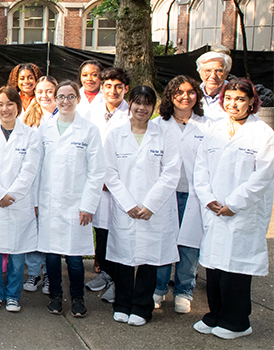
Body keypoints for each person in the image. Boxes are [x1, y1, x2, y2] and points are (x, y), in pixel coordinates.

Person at [193, 78, 274, 340]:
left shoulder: (263, 134)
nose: (233, 104)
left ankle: (237, 322)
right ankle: (215, 315)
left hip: (242, 213)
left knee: (236, 269)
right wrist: (207, 198)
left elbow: (262, 176)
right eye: (229, 98)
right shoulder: (214, 129)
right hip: (215, 208)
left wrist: (233, 204)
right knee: (215, 268)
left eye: (240, 99)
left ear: (252, 101)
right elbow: (200, 168)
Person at [103, 86, 181, 326]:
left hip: (153, 209)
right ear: (130, 103)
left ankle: (142, 306)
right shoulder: (116, 134)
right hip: (125, 207)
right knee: (124, 258)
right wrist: (128, 204)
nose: (142, 108)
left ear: (153, 108)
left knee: (149, 258)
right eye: (137, 102)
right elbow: (109, 172)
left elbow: (171, 172)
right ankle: (123, 303)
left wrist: (150, 204)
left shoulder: (165, 133)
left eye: (147, 104)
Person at [35, 80, 104, 317]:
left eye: (70, 96)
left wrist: (88, 205)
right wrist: (36, 201)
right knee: (52, 256)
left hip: (77, 205)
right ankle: (55, 296)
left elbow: (96, 172)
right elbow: (36, 167)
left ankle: (77, 298)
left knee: (74, 259)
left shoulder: (89, 130)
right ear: (55, 99)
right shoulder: (44, 129)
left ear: (78, 99)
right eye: (61, 96)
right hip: (49, 203)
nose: (65, 101)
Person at [0, 86, 42, 313]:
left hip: (18, 201)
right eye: (1, 104)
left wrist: (10, 195)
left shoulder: (32, 135)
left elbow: (29, 170)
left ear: (18, 106)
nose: (5, 109)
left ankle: (13, 295)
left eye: (10, 104)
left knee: (17, 252)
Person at [152, 76, 207, 314]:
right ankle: (159, 288)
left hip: (194, 194)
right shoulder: (158, 125)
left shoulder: (207, 125)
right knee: (164, 241)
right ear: (170, 96)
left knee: (189, 244)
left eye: (190, 92)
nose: (185, 97)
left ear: (197, 95)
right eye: (179, 93)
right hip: (166, 194)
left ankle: (184, 291)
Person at [84, 67, 130, 303]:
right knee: (100, 231)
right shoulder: (92, 111)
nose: (113, 91)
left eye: (118, 87)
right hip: (95, 182)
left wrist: (110, 179)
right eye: (109, 86)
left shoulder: (131, 115)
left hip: (118, 184)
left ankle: (117, 280)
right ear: (102, 88)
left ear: (126, 90)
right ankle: (104, 273)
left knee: (117, 232)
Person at [20, 75, 58, 293]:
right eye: (40, 91)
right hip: (33, 183)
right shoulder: (28, 118)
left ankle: (51, 275)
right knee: (33, 228)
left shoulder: (64, 118)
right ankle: (34, 273)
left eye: (49, 91)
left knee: (51, 231)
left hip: (56, 183)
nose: (45, 95)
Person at [195, 47, 232, 122]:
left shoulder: (236, 94)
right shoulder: (192, 94)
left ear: (226, 73)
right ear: (200, 72)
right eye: (208, 70)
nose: (213, 76)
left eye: (218, 71)